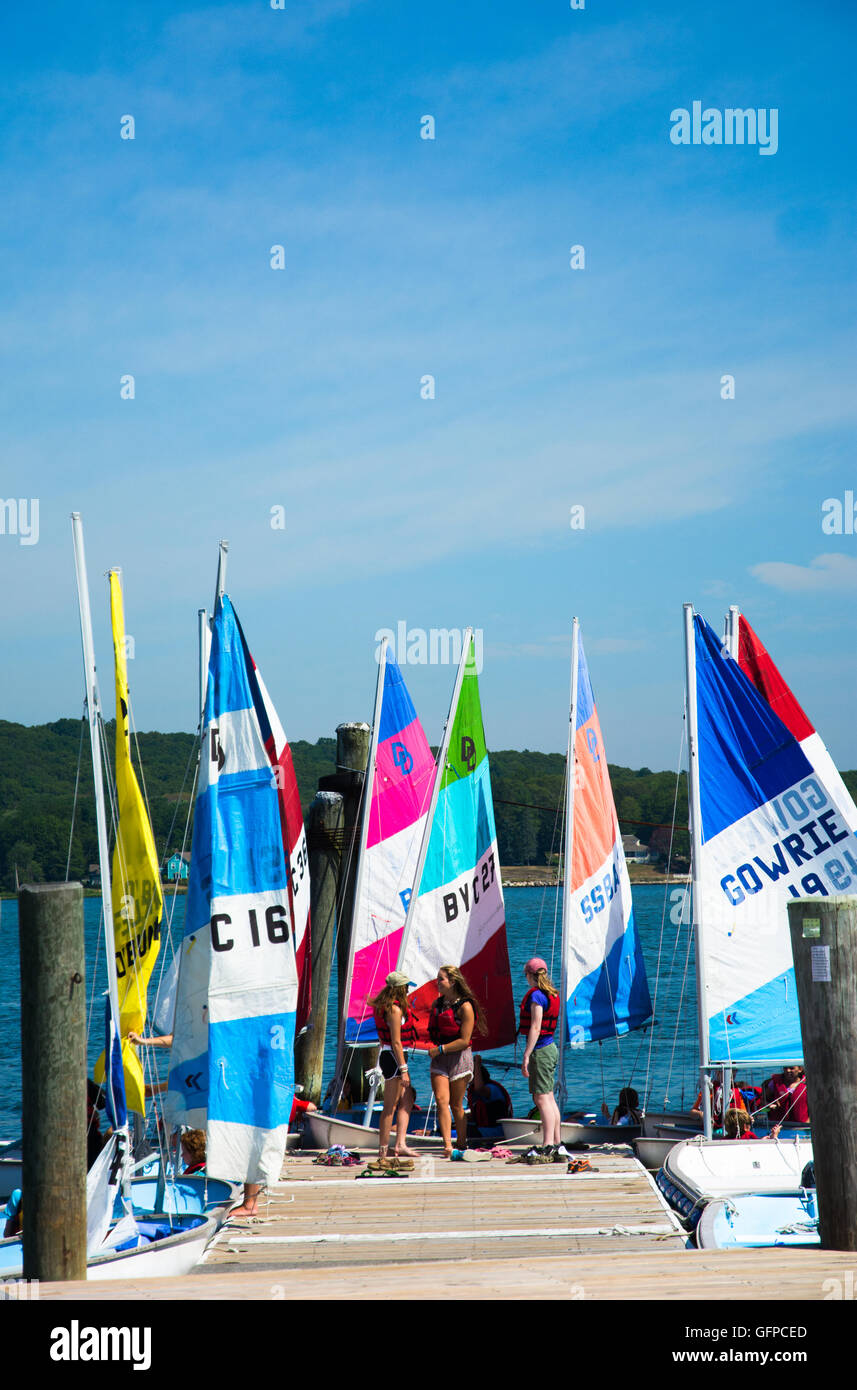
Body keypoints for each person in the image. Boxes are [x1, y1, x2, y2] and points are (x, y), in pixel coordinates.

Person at [428, 964, 484, 1157]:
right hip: (440, 1060)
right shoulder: (437, 1005)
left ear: (452, 982)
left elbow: (464, 1040)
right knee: (441, 1101)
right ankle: (447, 1145)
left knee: (456, 1105)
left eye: (441, 979)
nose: (437, 983)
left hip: (459, 1058)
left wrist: (441, 1049)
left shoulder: (465, 1007)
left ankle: (461, 1142)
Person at [369, 971, 420, 1164]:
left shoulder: (383, 1007)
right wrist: (404, 1069)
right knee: (389, 1107)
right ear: (400, 988)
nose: (408, 990)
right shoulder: (395, 1010)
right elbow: (396, 1043)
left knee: (407, 1098)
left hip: (390, 1057)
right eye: (406, 987)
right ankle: (383, 1151)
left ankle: (400, 1144)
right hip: (394, 1058)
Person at [519, 957, 566, 1158]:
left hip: (541, 1049)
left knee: (541, 1098)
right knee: (548, 1097)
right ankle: (556, 1141)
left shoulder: (537, 996)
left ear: (531, 975)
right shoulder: (552, 994)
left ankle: (547, 1143)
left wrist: (527, 1055)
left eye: (526, 975)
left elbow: (536, 1026)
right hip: (551, 1047)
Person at [467, 1056, 513, 1138]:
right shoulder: (473, 1093)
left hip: (496, 1131)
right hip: (483, 1130)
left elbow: (479, 1088)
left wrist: (477, 1064)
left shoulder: (492, 1089)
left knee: (467, 1131)